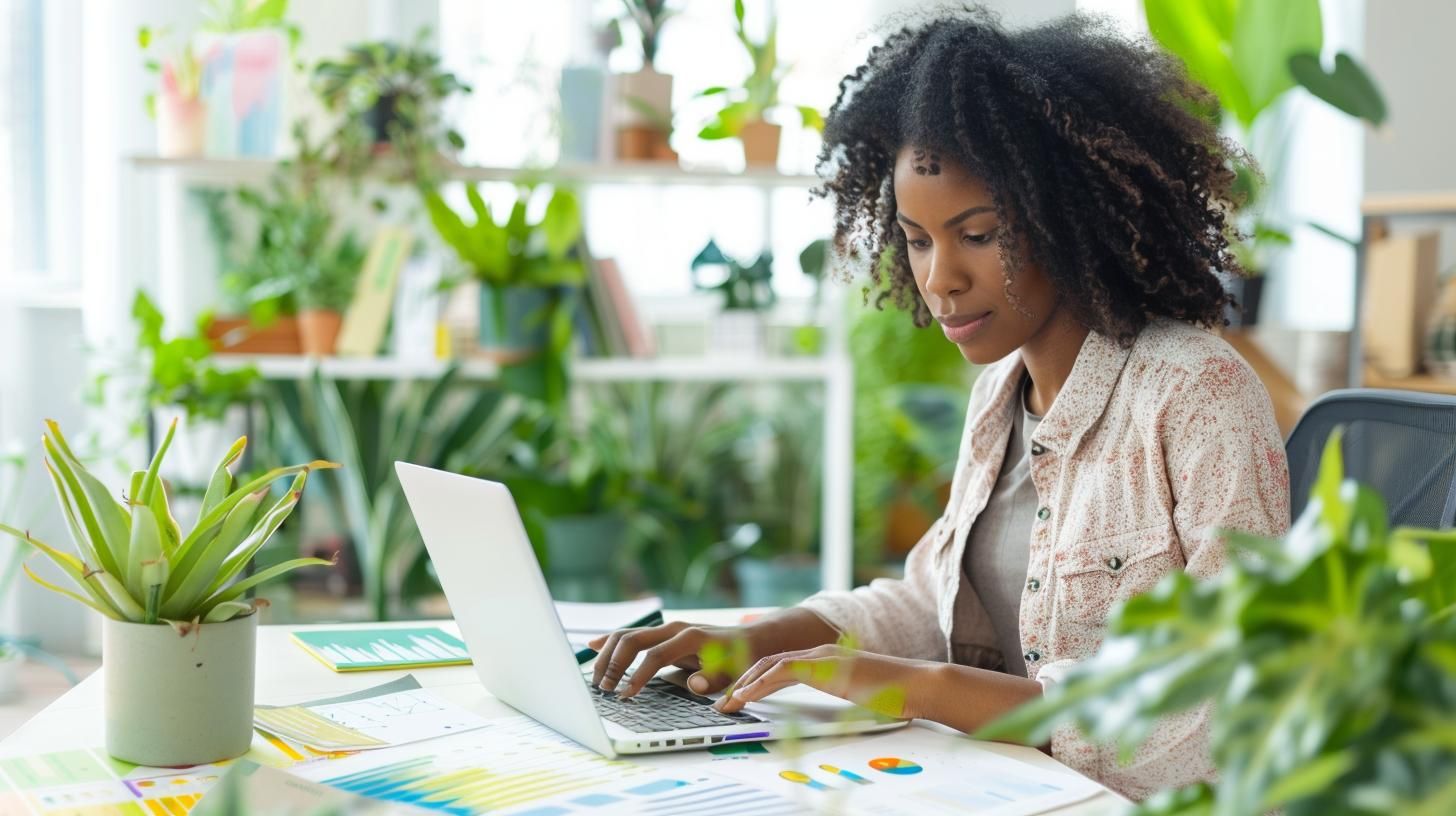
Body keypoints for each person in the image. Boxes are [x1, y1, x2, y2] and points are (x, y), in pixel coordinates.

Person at [588, 7, 1289, 800]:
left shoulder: (1197, 391)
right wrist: (762, 639)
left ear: (1069, 215)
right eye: (918, 240)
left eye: (979, 234)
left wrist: (915, 687)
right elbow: (933, 599)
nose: (939, 278)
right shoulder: (1000, 396)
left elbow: (1219, 690)